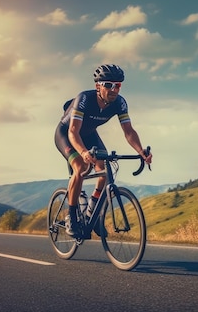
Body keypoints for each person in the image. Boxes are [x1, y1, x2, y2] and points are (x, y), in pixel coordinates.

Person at [54, 64, 152, 238]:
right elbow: (73, 131)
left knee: (105, 171)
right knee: (81, 169)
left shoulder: (120, 103)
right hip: (67, 134)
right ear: (98, 86)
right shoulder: (84, 99)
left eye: (118, 85)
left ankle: (92, 213)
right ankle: (72, 217)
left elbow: (129, 131)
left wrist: (141, 151)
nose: (113, 89)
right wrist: (83, 152)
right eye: (108, 85)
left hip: (90, 135)